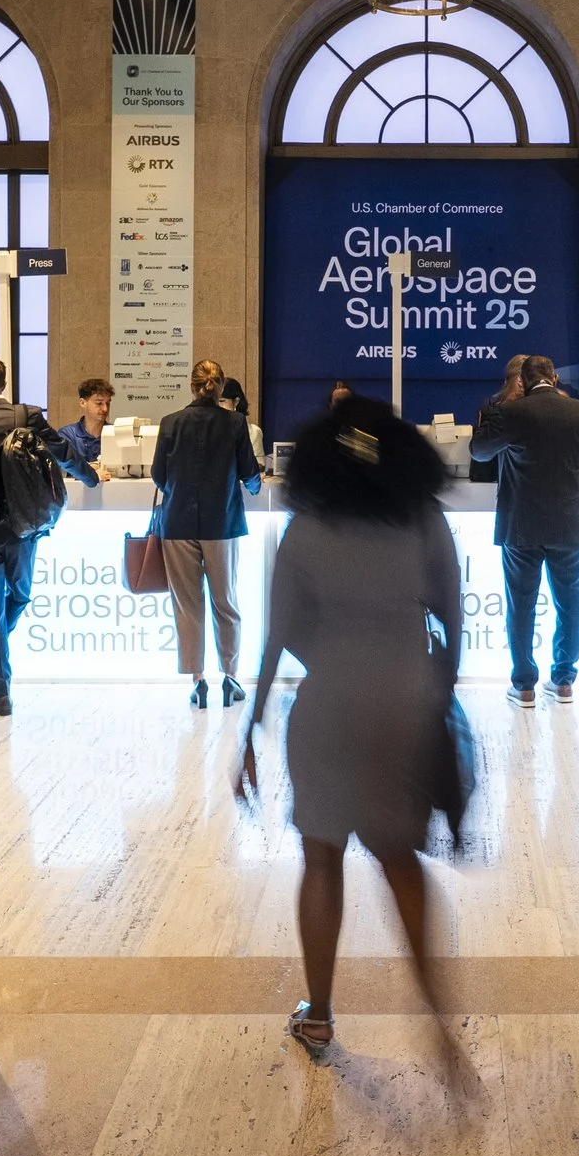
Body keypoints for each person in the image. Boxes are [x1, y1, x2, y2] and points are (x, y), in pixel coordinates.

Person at [237, 395, 463, 1065]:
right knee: (400, 860)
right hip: (402, 702)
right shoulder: (424, 519)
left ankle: (319, 1016)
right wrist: (438, 697)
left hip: (328, 703)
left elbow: (278, 635)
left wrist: (250, 728)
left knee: (321, 856)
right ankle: (437, 1015)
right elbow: (452, 620)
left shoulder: (306, 527)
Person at [470, 354, 579, 706]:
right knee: (570, 603)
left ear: (523, 381)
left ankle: (525, 685)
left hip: (522, 525)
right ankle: (563, 680)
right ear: (555, 378)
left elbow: (480, 452)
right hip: (570, 524)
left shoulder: (511, 413)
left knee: (521, 605)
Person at [0, 355, 97, 717]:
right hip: (21, 530)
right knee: (20, 597)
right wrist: (90, 477)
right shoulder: (24, 414)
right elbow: (62, 452)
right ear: (3, 384)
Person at [151, 359, 263, 707]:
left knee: (187, 604)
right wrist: (256, 487)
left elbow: (158, 475)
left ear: (192, 386)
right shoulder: (235, 423)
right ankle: (230, 677)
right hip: (222, 523)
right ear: (221, 387)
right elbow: (249, 472)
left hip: (177, 523)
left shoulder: (170, 422)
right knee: (225, 601)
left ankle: (198, 680)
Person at [467, 354, 528, 484]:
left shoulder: (494, 407)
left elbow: (480, 457)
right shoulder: (493, 408)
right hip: (504, 478)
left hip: (501, 479)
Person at [58, 377, 116, 483]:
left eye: (108, 403)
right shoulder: (67, 435)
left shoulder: (116, 433)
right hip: (75, 493)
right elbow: (61, 470)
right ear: (82, 403)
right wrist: (89, 471)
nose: (105, 409)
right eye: (99, 403)